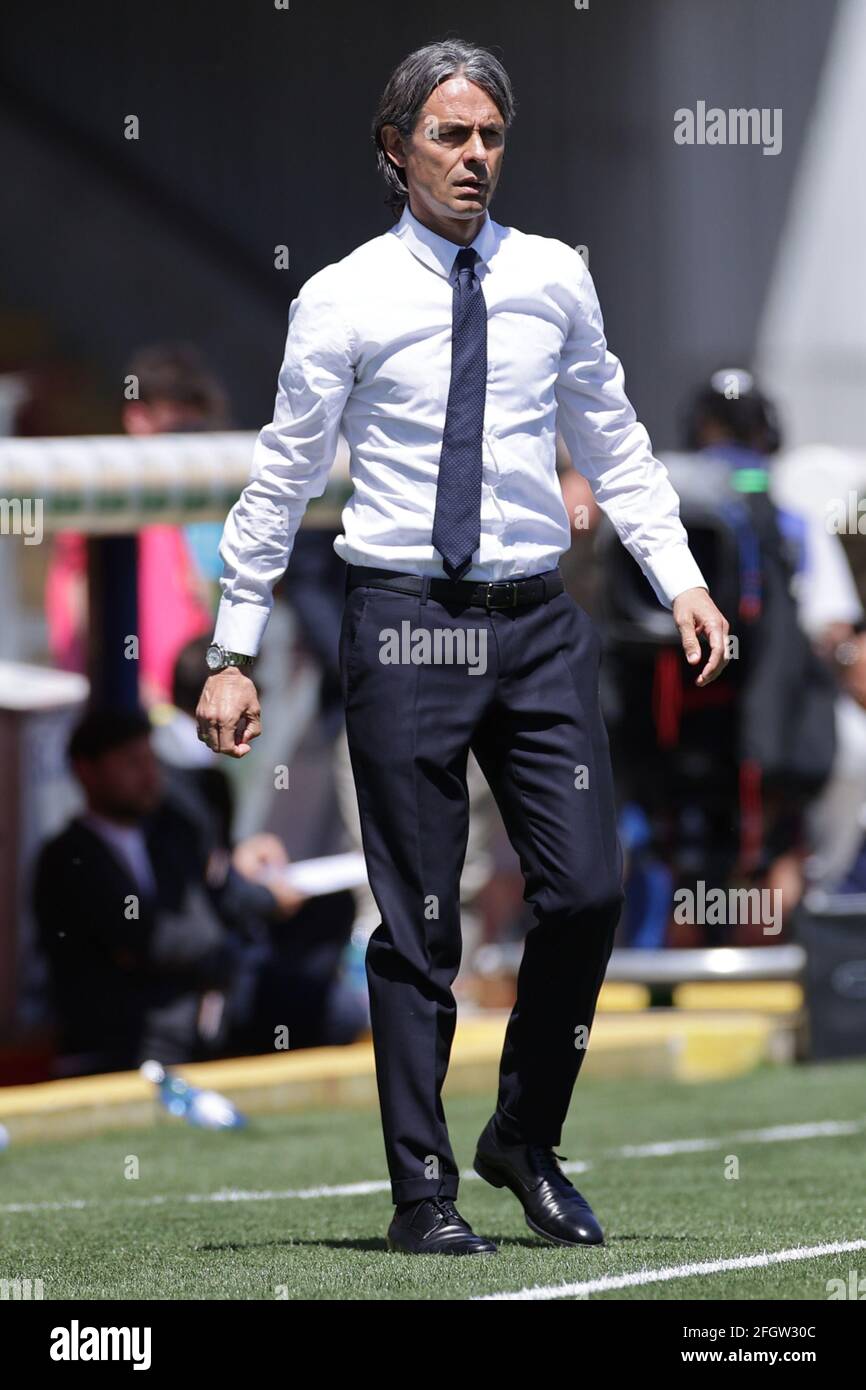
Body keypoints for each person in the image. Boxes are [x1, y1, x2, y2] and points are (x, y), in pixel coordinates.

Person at [196, 40, 729, 1256]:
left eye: (489, 135)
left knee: (586, 889)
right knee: (420, 921)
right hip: (403, 619)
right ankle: (421, 1192)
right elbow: (279, 480)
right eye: (449, 135)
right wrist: (229, 648)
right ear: (395, 151)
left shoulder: (552, 278)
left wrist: (683, 579)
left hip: (536, 622)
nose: (474, 156)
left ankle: (522, 1134)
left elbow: (617, 435)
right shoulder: (339, 296)